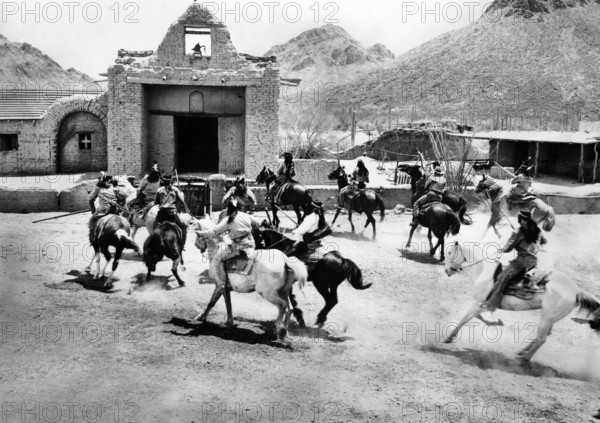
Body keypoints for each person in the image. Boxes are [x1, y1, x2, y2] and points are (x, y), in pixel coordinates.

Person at [480, 210, 543, 311]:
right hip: (533, 263)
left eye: (523, 220)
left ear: (521, 220)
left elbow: (509, 247)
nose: (522, 222)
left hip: (521, 263)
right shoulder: (537, 230)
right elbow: (541, 243)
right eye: (522, 220)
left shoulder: (519, 231)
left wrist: (501, 248)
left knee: (501, 277)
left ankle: (490, 304)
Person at [196, 199, 267, 281]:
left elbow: (214, 232)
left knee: (216, 259)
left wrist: (202, 234)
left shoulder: (228, 220)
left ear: (228, 208)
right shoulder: (246, 216)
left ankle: (222, 282)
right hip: (251, 244)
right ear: (239, 208)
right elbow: (259, 223)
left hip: (237, 246)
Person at [154, 175, 190, 249]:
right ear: (171, 182)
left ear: (163, 182)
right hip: (172, 214)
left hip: (162, 214)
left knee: (154, 226)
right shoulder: (175, 189)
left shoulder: (159, 190)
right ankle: (182, 245)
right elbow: (181, 201)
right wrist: (187, 210)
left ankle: (154, 241)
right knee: (183, 226)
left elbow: (156, 202)